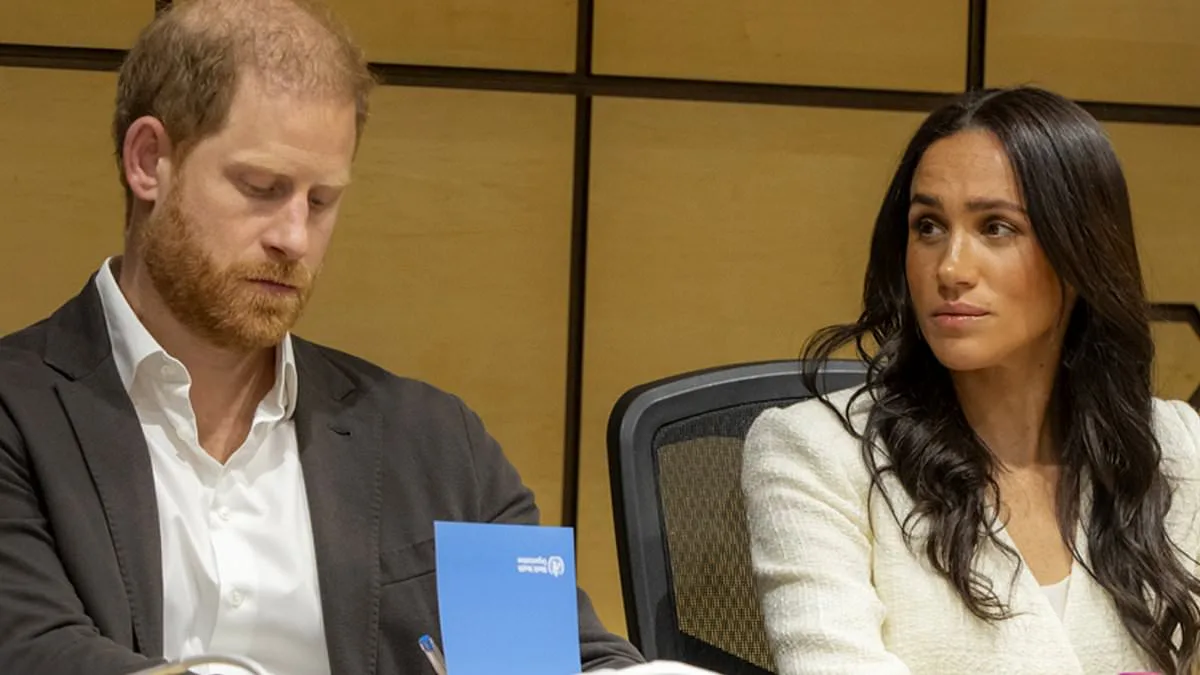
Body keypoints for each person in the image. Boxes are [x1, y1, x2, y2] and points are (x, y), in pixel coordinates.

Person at [0, 1, 643, 673]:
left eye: (320, 201)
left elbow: (562, 659)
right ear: (149, 160)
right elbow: (34, 652)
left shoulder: (434, 441)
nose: (295, 238)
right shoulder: (16, 415)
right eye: (261, 187)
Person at [741, 86, 1200, 675]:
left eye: (997, 228)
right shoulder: (815, 452)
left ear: (1081, 253)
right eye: (928, 226)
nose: (951, 268)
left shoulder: (1173, 446)